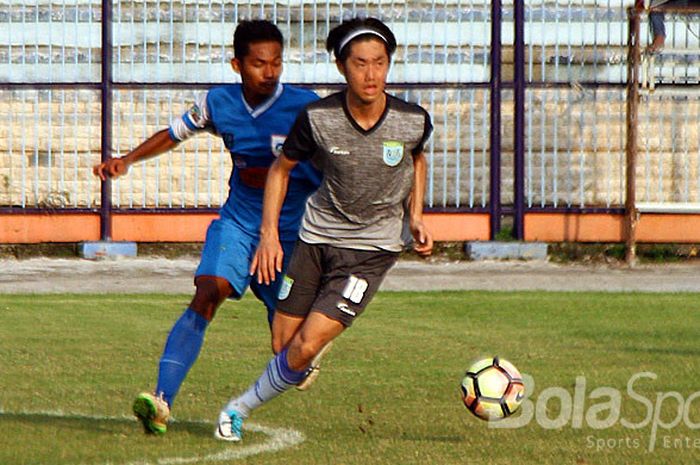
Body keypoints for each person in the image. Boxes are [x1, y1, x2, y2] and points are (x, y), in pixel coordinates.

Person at [92, 20, 321, 436]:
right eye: (258, 64)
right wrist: (127, 160)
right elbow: (174, 133)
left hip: (291, 233)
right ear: (237, 64)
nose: (269, 72)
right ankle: (161, 401)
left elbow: (331, 165)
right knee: (207, 293)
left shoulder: (307, 107)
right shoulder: (218, 102)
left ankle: (299, 353)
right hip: (239, 221)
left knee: (288, 348)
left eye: (276, 63)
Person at [214, 17, 434, 442]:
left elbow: (417, 158)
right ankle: (314, 339)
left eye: (380, 63)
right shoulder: (317, 118)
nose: (371, 75)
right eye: (360, 64)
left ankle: (236, 409)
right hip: (314, 239)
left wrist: (416, 216)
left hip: (371, 250)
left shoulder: (412, 120)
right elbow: (281, 169)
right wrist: (270, 234)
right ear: (341, 67)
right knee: (284, 347)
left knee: (303, 347)